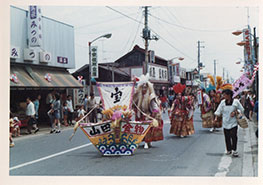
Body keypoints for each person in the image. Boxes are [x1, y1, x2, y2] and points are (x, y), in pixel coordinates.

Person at [133, 77, 163, 149]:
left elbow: (155, 106)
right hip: (140, 115)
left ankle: (148, 142)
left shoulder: (151, 97)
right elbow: (134, 103)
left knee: (148, 130)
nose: (144, 89)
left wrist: (155, 112)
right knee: (140, 129)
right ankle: (143, 141)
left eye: (145, 87)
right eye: (142, 88)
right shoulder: (138, 96)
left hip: (148, 115)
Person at [214, 86, 244, 157]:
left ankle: (234, 150)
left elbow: (241, 109)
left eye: (225, 95)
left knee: (234, 136)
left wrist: (236, 112)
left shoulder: (236, 101)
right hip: (225, 122)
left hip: (233, 122)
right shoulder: (222, 102)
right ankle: (229, 149)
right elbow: (219, 111)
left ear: (229, 95)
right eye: (223, 95)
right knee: (227, 136)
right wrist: (216, 118)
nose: (223, 96)